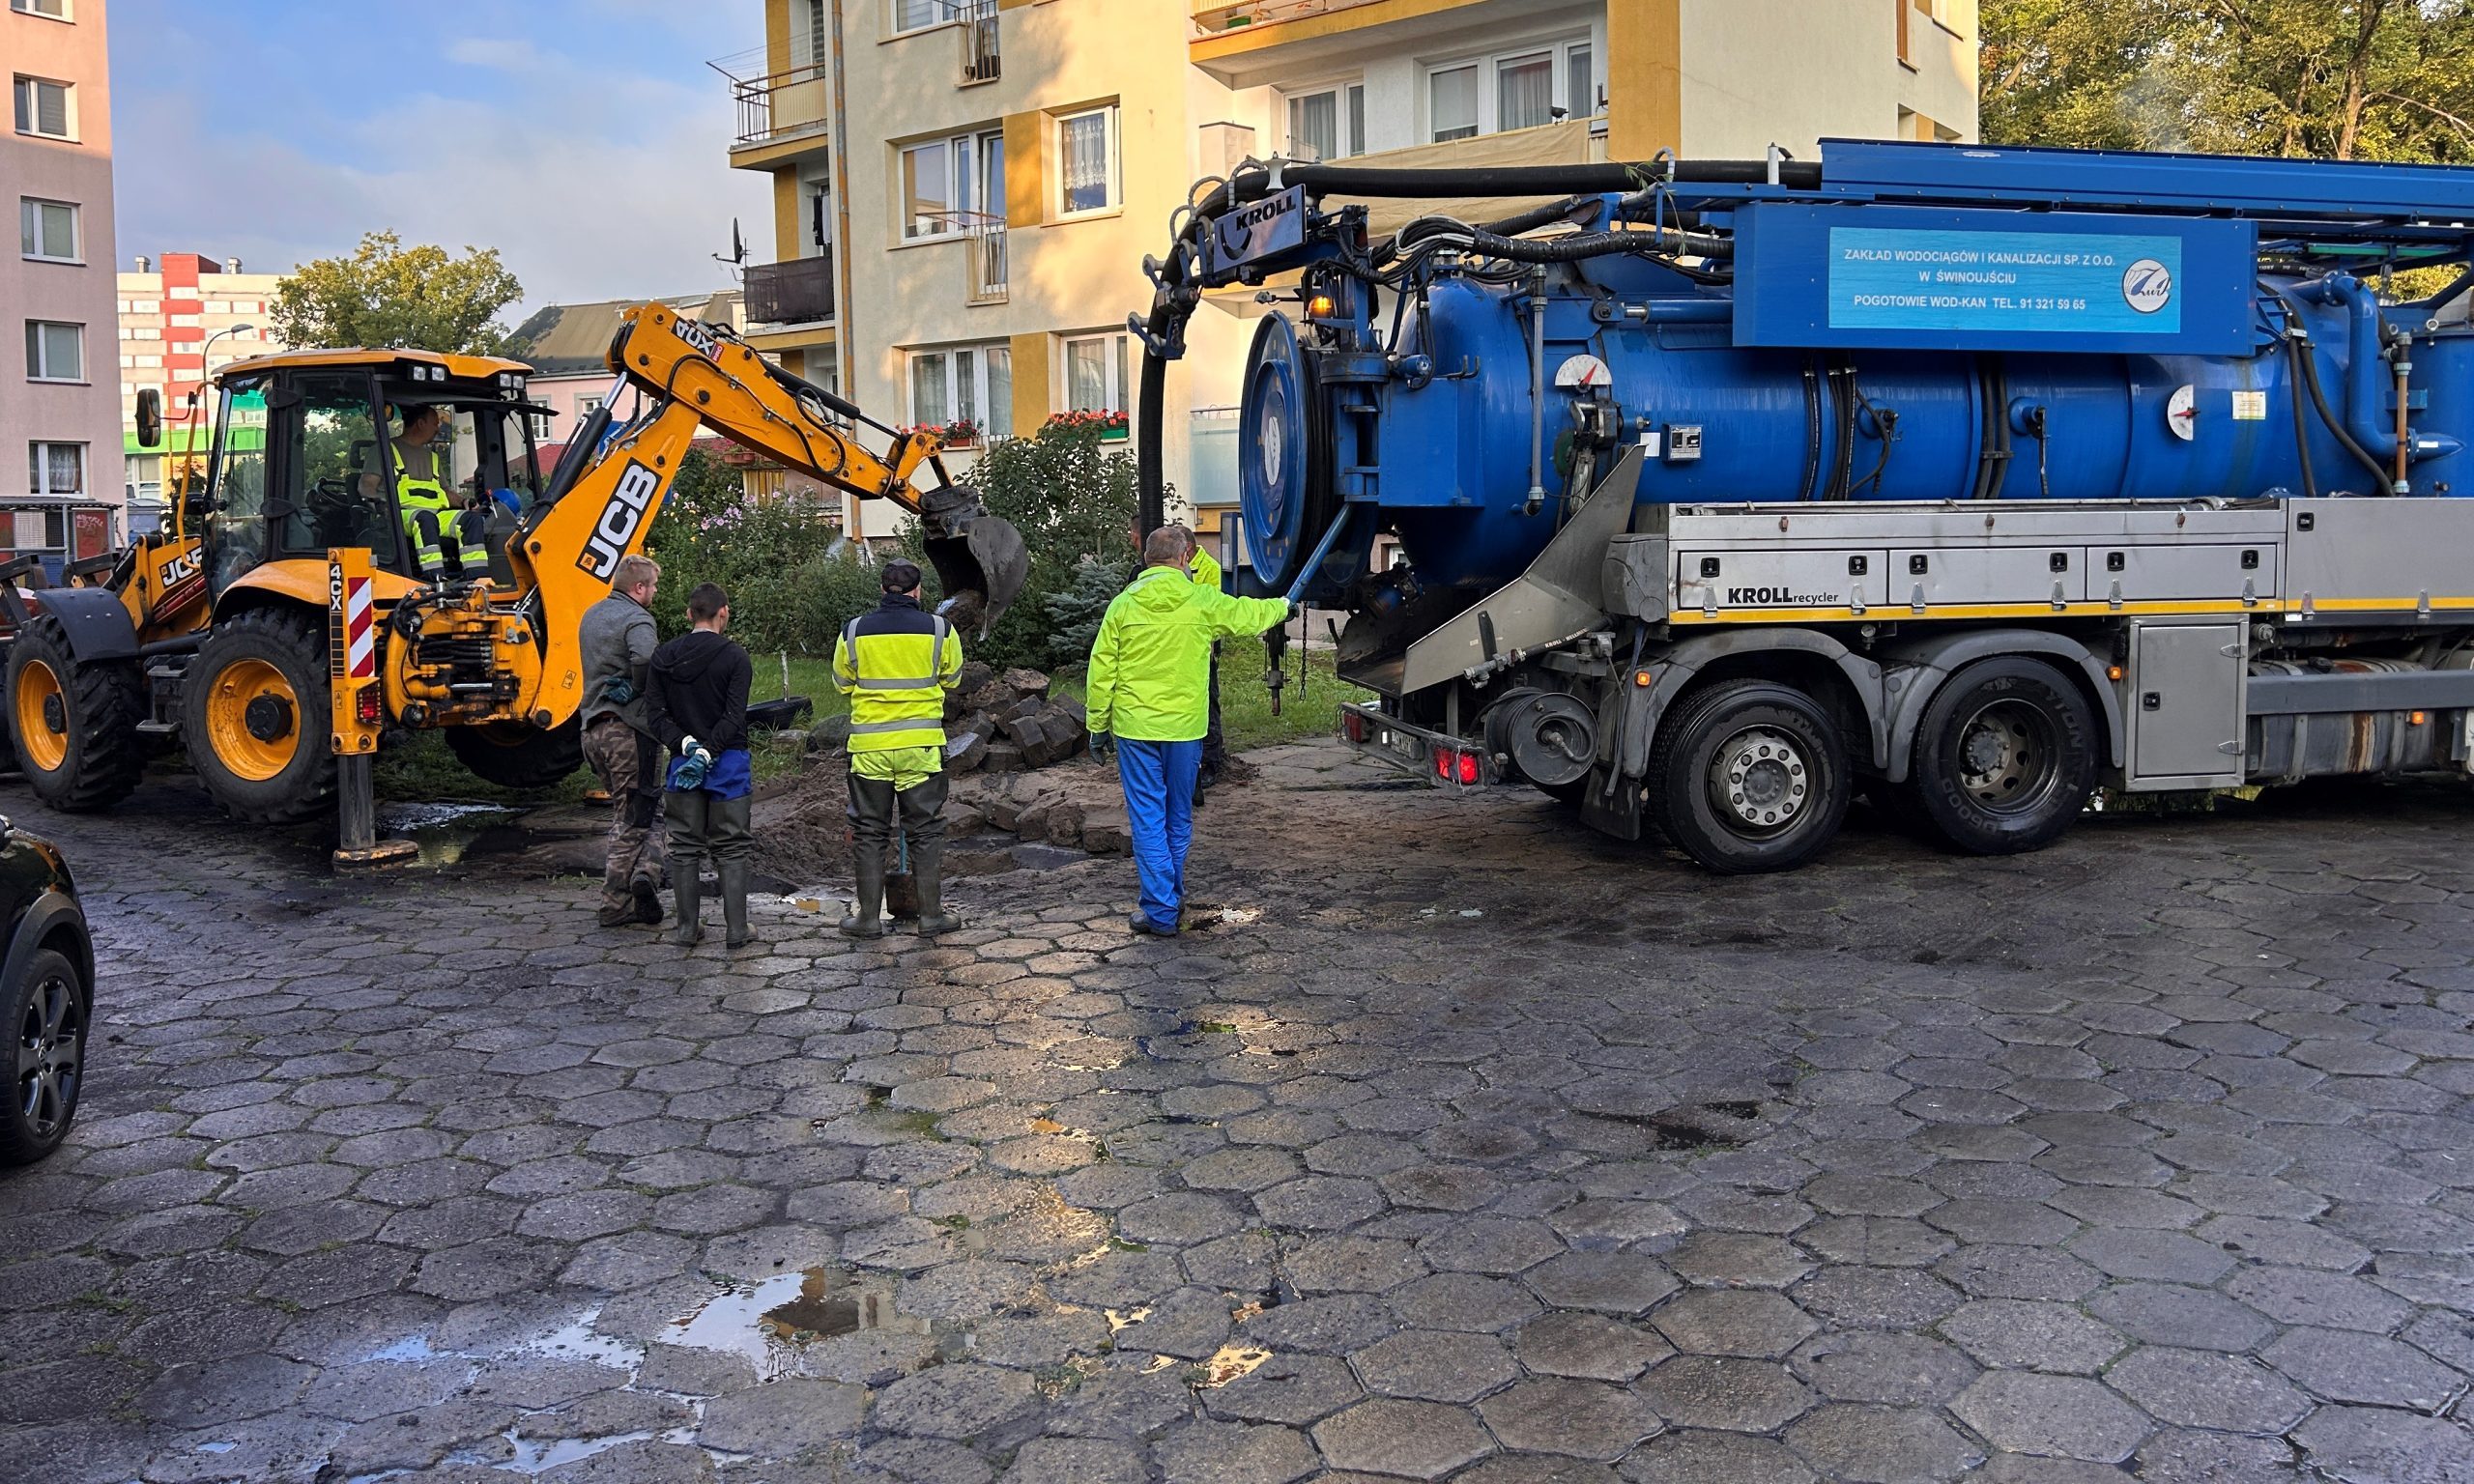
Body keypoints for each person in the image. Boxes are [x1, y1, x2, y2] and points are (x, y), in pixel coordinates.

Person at [1087, 525, 1290, 936]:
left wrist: (1096, 727)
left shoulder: (1123, 606)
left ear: (1147, 560)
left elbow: (1101, 670)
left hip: (1135, 728)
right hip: (1184, 729)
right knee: (1177, 815)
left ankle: (1161, 910)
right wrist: (1285, 606)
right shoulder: (1200, 602)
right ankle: (1169, 899)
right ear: (1184, 560)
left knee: (1147, 818)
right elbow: (1248, 615)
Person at [832, 559, 966, 939]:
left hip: (869, 749)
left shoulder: (854, 631)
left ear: (881, 589)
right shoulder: (941, 629)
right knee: (924, 832)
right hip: (920, 749)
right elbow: (953, 678)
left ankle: (868, 919)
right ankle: (931, 917)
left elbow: (842, 682)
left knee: (870, 832)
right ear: (918, 591)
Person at [646, 582, 758, 949]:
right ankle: (738, 930)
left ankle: (686, 929)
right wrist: (711, 750)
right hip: (729, 761)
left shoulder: (663, 656)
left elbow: (656, 716)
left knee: (685, 847)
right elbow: (734, 715)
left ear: (689, 614)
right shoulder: (735, 658)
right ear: (723, 612)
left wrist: (687, 745)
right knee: (731, 846)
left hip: (682, 764)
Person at [579, 554, 665, 928]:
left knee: (627, 811)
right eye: (654, 586)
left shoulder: (592, 615)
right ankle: (617, 901)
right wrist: (638, 685)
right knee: (638, 817)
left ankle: (641, 878)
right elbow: (645, 656)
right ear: (639, 588)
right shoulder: (637, 618)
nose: (656, 593)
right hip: (628, 730)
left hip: (592, 730)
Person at [388, 404, 488, 580]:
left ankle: (477, 580)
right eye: (435, 423)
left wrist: (466, 503)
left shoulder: (432, 457)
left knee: (471, 520)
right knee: (424, 519)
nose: (438, 428)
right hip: (401, 516)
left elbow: (445, 491)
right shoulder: (388, 450)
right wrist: (380, 508)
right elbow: (368, 486)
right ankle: (434, 579)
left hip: (435, 516)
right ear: (420, 423)